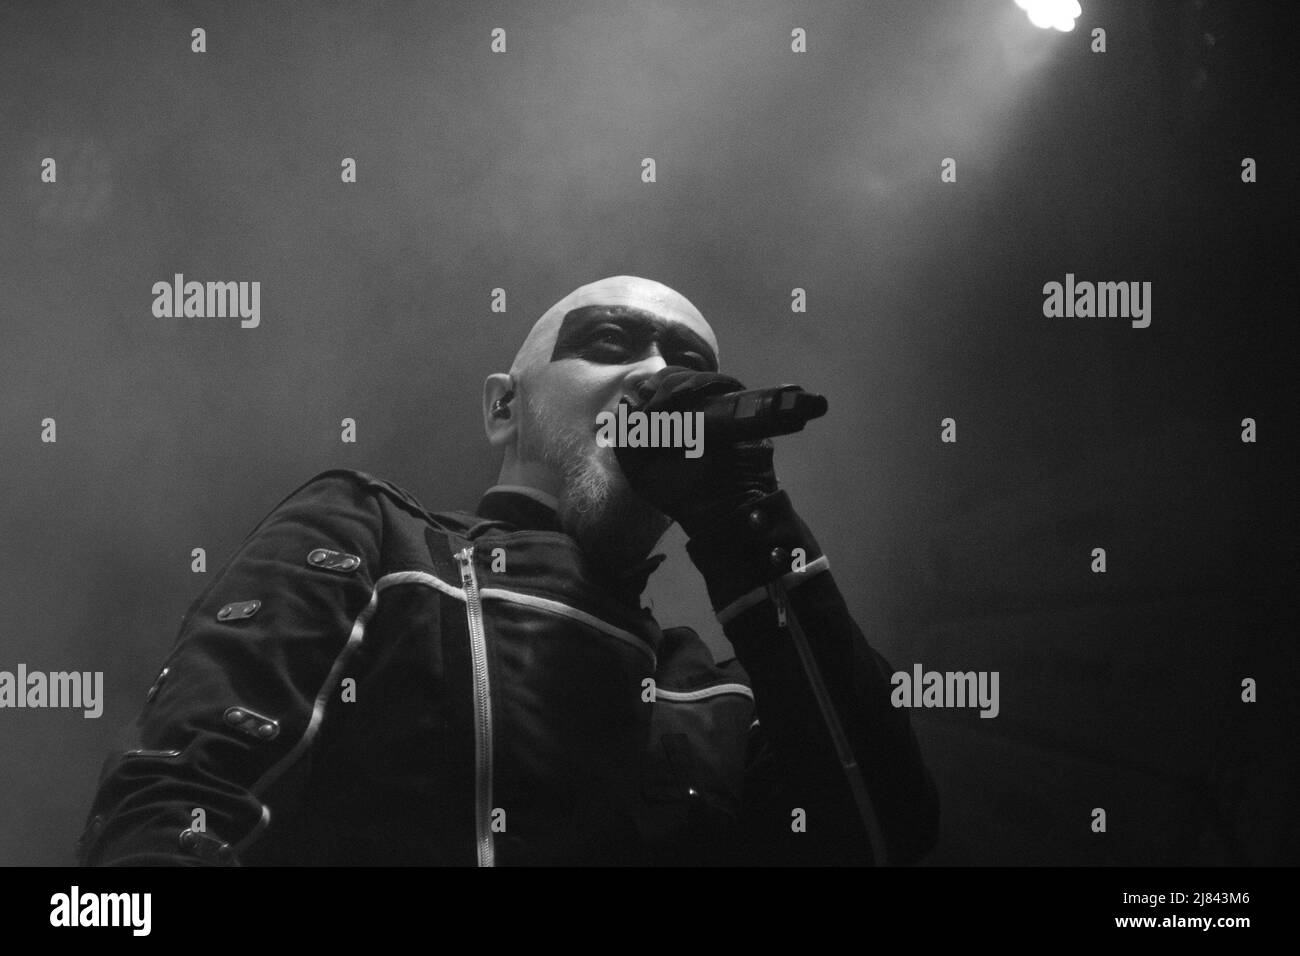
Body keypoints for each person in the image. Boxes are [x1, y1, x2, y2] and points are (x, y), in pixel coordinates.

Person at [77, 275, 939, 866]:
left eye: (688, 368)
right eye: (610, 342)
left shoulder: (717, 696)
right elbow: (181, 799)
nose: (653, 377)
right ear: (502, 407)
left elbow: (883, 829)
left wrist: (747, 523)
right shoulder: (376, 537)